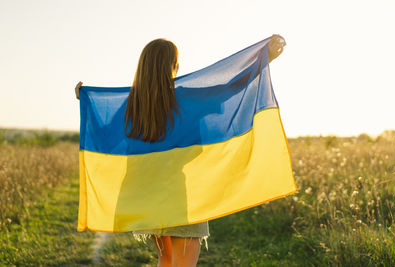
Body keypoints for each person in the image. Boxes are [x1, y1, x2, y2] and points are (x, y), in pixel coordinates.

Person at [75, 34, 285, 267]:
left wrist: (85, 100)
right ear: (173, 65)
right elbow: (230, 89)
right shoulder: (186, 97)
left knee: (165, 260)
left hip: (145, 193)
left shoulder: (130, 105)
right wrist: (264, 60)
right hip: (177, 193)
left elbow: (105, 137)